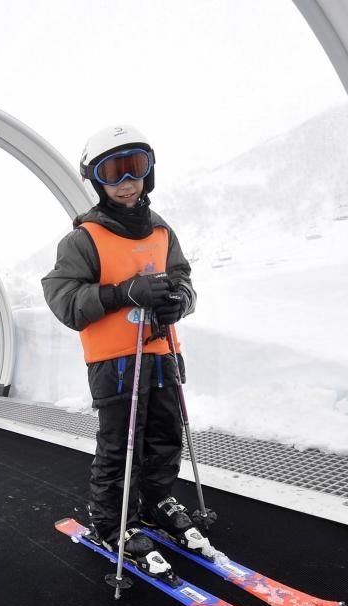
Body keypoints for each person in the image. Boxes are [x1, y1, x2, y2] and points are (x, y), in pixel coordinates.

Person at [41, 124, 211, 578]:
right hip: (114, 362)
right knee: (120, 447)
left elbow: (184, 280)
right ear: (96, 181)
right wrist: (121, 294)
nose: (125, 181)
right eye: (112, 172)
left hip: (161, 355)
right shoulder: (83, 239)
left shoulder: (161, 231)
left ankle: (156, 500)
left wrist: (180, 302)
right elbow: (63, 300)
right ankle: (113, 521)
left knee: (164, 437)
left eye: (134, 167)